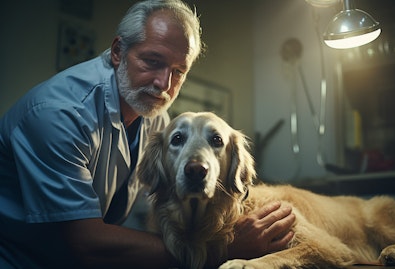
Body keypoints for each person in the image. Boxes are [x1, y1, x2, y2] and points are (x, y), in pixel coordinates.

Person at [0, 0, 295, 268]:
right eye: (152, 62)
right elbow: (84, 242)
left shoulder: (156, 120)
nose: (164, 84)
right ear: (118, 52)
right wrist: (223, 249)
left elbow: (161, 202)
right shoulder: (58, 115)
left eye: (179, 71)